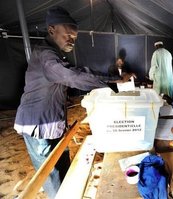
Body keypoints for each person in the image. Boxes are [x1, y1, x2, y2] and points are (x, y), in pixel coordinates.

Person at [13, 6, 133, 199]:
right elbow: (73, 76)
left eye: (74, 37)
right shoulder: (46, 56)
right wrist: (115, 79)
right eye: (67, 35)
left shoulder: (52, 54)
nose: (71, 40)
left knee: (63, 165)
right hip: (38, 125)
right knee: (51, 175)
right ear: (52, 30)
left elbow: (70, 77)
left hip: (54, 122)